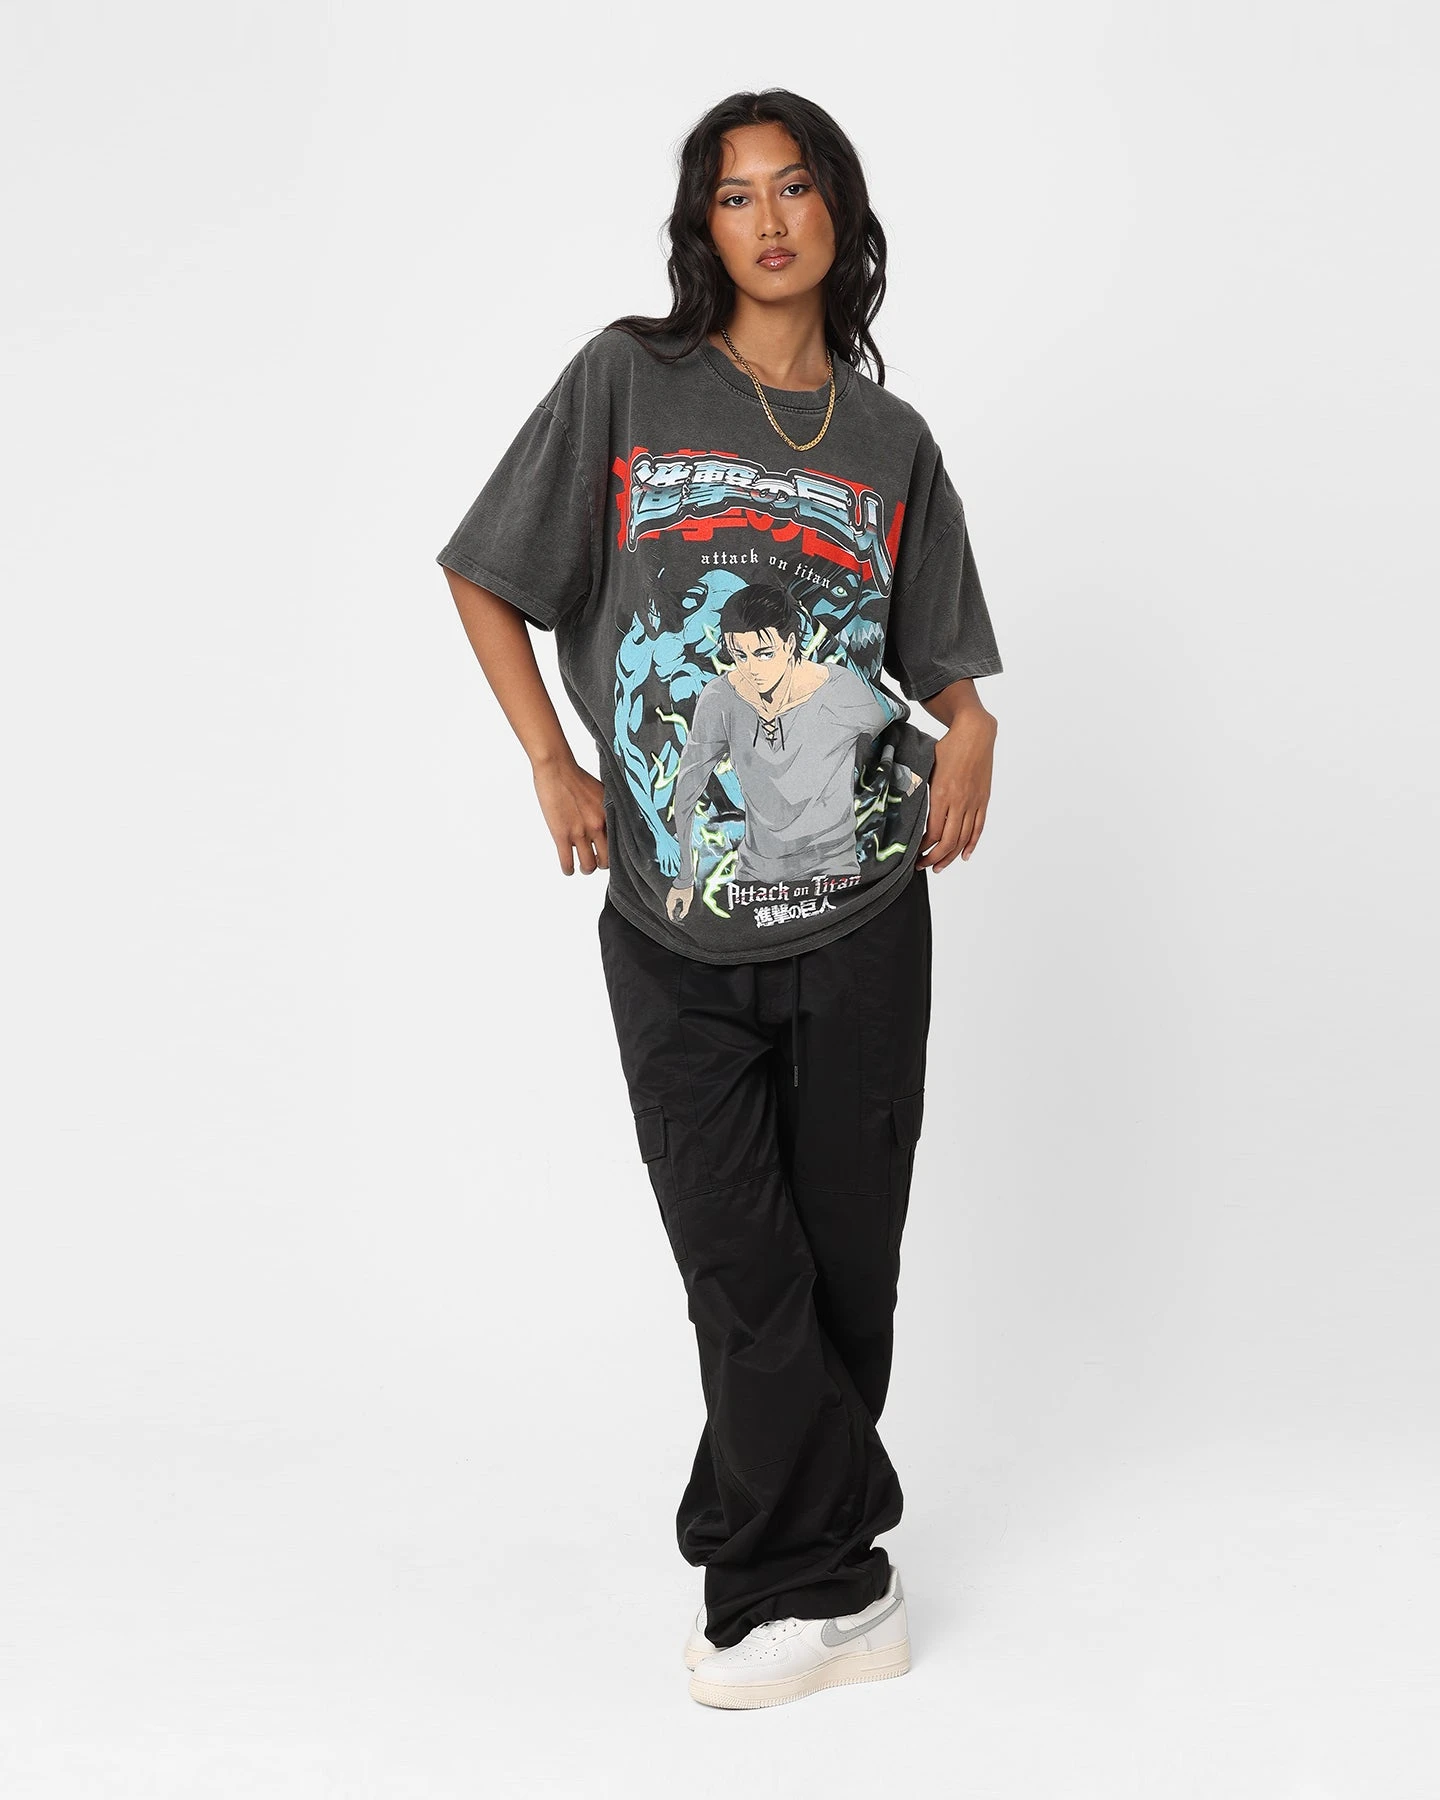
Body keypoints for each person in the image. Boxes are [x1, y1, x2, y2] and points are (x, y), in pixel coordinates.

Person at [435, 88, 1003, 1711]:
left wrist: (975, 733)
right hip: (672, 932)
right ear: (702, 230)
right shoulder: (631, 381)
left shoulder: (892, 444)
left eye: (793, 186)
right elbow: (484, 573)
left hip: (865, 920)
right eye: (734, 195)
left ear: (840, 214)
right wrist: (552, 761)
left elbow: (947, 670)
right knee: (740, 1264)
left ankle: (797, 1580)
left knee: (844, 1270)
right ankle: (821, 1574)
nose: (766, 218)